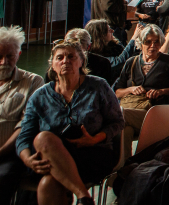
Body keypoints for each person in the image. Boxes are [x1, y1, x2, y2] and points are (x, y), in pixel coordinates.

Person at [17, 41, 124, 205]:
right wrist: (27, 160)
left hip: (92, 153)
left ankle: (83, 197)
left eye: (71, 57)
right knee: (47, 172)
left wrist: (95, 139)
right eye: (59, 58)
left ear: (81, 62)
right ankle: (84, 197)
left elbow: (117, 122)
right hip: (52, 159)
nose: (65, 61)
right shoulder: (40, 96)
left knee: (43, 142)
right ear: (53, 65)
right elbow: (24, 135)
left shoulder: (98, 86)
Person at [114, 25, 169, 155]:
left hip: (157, 114)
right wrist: (131, 89)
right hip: (134, 109)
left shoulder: (168, 62)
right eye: (148, 42)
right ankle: (126, 168)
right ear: (141, 43)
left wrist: (161, 91)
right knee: (126, 130)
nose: (152, 46)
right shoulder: (131, 62)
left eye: (156, 42)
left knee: (120, 116)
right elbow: (117, 91)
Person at [0, 26, 44, 204]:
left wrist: (1, 152)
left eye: (9, 56)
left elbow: (26, 124)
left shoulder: (33, 81)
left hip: (10, 154)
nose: (4, 62)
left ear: (18, 55)